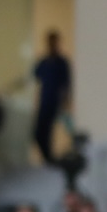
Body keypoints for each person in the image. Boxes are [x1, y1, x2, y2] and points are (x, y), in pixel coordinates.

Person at [32, 29, 72, 164]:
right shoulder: (45, 62)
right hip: (45, 100)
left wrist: (65, 102)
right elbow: (35, 74)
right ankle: (48, 158)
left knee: (50, 131)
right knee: (39, 132)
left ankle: (52, 159)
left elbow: (66, 84)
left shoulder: (62, 63)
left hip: (55, 101)